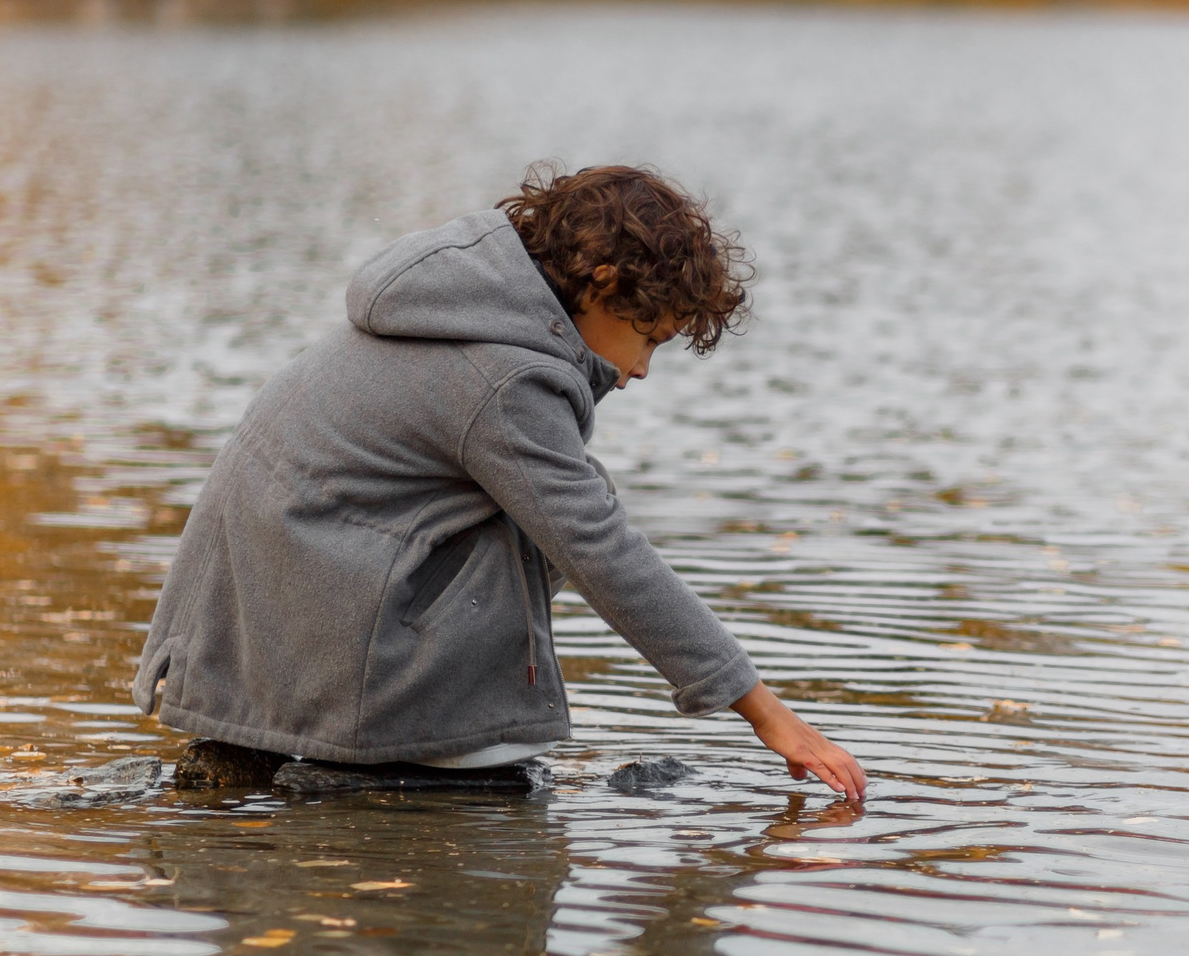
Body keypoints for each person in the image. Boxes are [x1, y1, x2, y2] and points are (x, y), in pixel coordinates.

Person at [131, 164, 867, 801]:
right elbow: (601, 549)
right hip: (315, 635)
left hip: (261, 635)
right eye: (649, 338)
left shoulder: (463, 303)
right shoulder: (503, 378)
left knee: (563, 495)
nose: (641, 369)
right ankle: (425, 749)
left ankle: (333, 736)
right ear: (604, 284)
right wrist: (769, 715)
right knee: (556, 518)